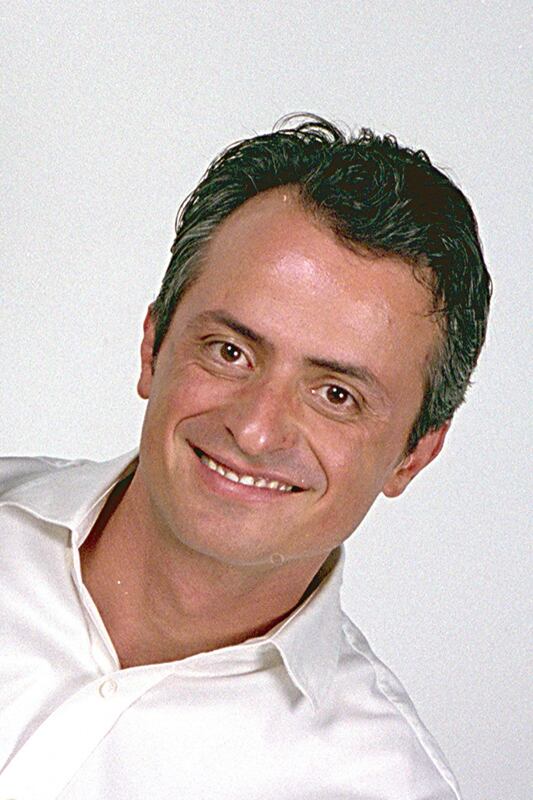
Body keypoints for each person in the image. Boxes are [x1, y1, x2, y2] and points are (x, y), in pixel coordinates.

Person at [0, 115, 491, 799]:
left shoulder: (385, 784)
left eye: (336, 395)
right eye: (230, 351)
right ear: (153, 346)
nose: (257, 431)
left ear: (414, 454)